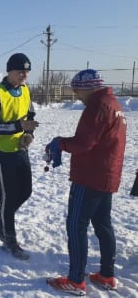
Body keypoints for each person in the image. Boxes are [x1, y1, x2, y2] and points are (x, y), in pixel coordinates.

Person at [46, 69, 126, 296]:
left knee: (76, 224)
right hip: (107, 175)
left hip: (89, 177)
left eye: (77, 90)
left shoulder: (97, 107)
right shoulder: (114, 104)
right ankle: (107, 275)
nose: (76, 95)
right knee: (103, 224)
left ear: (88, 87)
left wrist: (59, 143)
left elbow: (84, 142)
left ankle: (75, 280)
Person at [0, 53, 39, 260]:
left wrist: (28, 134)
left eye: (27, 71)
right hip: (0, 151)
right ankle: (9, 240)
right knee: (7, 196)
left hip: (20, 148)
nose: (24, 75)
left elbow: (30, 116)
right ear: (9, 71)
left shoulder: (24, 90)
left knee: (25, 191)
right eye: (20, 71)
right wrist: (18, 126)